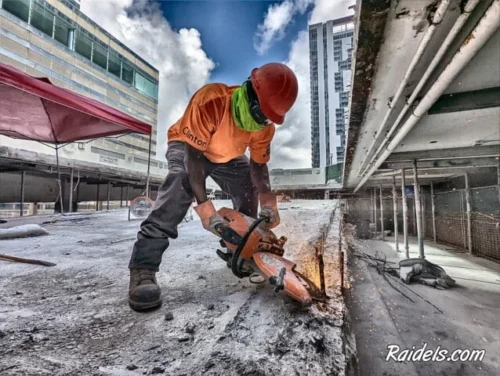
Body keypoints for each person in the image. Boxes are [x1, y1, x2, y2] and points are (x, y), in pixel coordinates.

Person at [128, 62, 299, 311]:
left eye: (266, 118)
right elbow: (193, 160)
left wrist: (268, 202)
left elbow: (259, 168)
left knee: (247, 186)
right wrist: (207, 211)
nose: (260, 121)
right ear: (249, 91)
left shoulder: (265, 129)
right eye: (258, 112)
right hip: (189, 148)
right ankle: (143, 267)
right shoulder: (212, 100)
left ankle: (244, 249)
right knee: (181, 182)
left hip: (228, 155)